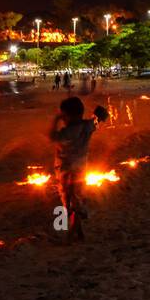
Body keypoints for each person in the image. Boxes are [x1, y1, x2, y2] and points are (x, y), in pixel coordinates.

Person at [49, 96, 108, 243]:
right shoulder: (86, 126)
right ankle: (78, 231)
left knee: (65, 201)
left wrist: (55, 120)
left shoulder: (67, 133)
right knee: (76, 199)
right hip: (81, 169)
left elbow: (52, 136)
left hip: (65, 171)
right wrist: (98, 116)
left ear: (66, 115)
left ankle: (66, 232)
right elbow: (96, 121)